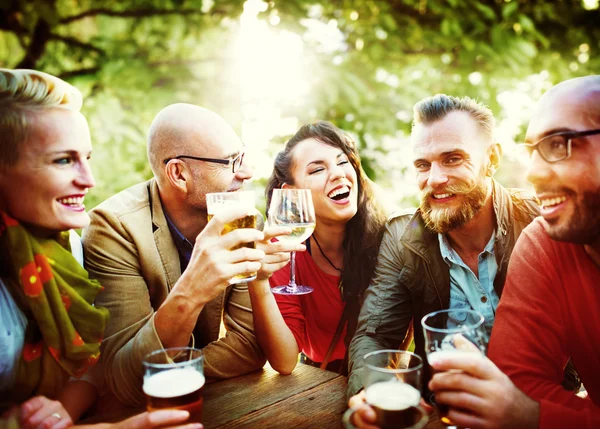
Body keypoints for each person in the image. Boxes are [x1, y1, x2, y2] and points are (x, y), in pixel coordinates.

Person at [0, 69, 202, 429]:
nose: (88, 180)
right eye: (63, 160)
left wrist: (63, 411)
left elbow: (92, 366)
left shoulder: (68, 246)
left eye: (87, 158)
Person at [347, 94, 541, 427]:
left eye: (452, 159)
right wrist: (375, 389)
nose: (434, 179)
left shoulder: (540, 221)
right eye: (423, 164)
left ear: (491, 158)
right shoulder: (402, 236)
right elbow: (376, 336)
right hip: (442, 416)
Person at [426, 76, 600, 429]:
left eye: (560, 144)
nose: (533, 173)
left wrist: (535, 416)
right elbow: (517, 387)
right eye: (533, 151)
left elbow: (521, 407)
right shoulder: (547, 242)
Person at [82, 104, 268, 406]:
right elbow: (126, 380)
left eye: (242, 156)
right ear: (179, 174)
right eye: (231, 162)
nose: (247, 172)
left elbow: (249, 346)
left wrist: (172, 368)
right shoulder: (113, 229)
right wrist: (192, 290)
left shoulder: (240, 219)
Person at [248, 121, 387, 375]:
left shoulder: (388, 238)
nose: (337, 173)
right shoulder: (282, 253)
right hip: (320, 380)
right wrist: (258, 282)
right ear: (291, 193)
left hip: (381, 374)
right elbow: (285, 361)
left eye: (342, 162)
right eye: (317, 170)